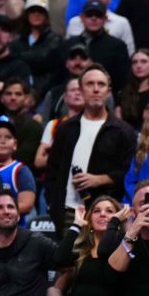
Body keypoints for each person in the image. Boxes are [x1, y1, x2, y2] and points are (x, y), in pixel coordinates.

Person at [45, 64, 137, 233]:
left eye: (101, 84)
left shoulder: (123, 131)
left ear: (108, 91)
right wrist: (52, 202)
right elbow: (53, 170)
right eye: (90, 84)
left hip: (105, 214)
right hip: (68, 212)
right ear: (81, 90)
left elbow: (129, 173)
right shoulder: (66, 128)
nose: (96, 89)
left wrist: (99, 179)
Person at [0, 117, 37, 218]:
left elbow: (27, 204)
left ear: (15, 144)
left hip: (14, 225)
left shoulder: (20, 170)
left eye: (8, 137)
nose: (2, 141)